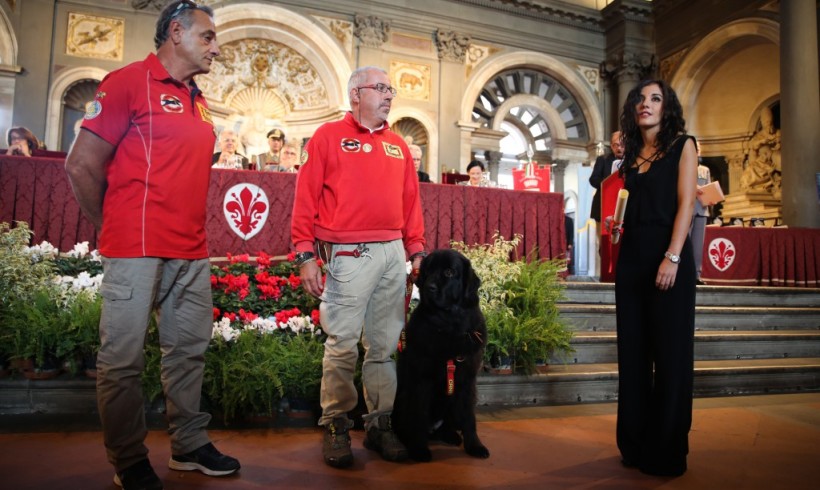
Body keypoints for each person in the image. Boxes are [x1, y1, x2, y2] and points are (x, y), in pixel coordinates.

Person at [64, 2, 240, 489]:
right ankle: (128, 460)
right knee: (122, 362)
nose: (216, 48)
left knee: (188, 353)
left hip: (191, 249)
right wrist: (113, 227)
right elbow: (80, 166)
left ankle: (187, 445)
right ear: (176, 33)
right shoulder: (126, 82)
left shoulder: (198, 98)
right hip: (136, 248)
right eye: (208, 37)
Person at [291, 66, 426, 469]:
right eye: (380, 89)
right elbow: (305, 197)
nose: (389, 95)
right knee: (343, 343)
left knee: (383, 346)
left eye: (391, 89)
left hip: (391, 253)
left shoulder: (399, 146)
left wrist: (416, 249)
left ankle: (380, 421)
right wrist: (304, 254)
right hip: (347, 254)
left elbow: (410, 203)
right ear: (355, 95)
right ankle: (335, 423)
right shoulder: (327, 137)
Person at [614, 79, 697, 477]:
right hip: (631, 261)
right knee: (632, 356)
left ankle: (666, 450)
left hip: (669, 259)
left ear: (667, 108)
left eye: (655, 99)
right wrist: (616, 228)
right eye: (640, 99)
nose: (646, 104)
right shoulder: (630, 156)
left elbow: (685, 205)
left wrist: (673, 256)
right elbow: (626, 206)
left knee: (669, 355)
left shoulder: (684, 146)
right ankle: (634, 443)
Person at [589, 131, 624, 223]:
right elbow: (593, 179)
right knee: (602, 237)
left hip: (623, 206)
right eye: (616, 145)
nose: (619, 148)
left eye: (622, 144)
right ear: (611, 146)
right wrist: (609, 184)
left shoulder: (632, 160)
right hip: (603, 204)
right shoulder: (603, 160)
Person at [690, 140, 711, 283]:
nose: (697, 150)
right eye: (694, 147)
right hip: (687, 209)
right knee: (685, 243)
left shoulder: (705, 170)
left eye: (698, 148)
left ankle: (696, 275)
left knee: (698, 245)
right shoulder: (684, 166)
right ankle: (682, 273)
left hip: (701, 210)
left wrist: (712, 196)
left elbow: (709, 188)